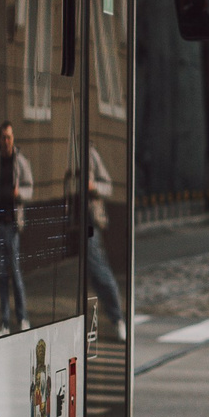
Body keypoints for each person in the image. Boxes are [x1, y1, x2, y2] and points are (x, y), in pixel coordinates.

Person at [83, 142, 126, 341]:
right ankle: (111, 318)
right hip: (71, 223)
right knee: (90, 276)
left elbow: (107, 186)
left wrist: (93, 187)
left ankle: (117, 319)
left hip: (89, 223)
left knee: (99, 270)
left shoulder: (91, 154)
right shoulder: (69, 154)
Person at [0, 122, 33, 336]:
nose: (6, 141)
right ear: (0, 140)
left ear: (13, 138)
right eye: (3, 138)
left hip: (13, 226)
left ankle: (23, 318)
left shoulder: (20, 161)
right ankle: (5, 323)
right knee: (1, 276)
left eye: (9, 137)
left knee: (16, 274)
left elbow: (30, 188)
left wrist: (19, 194)